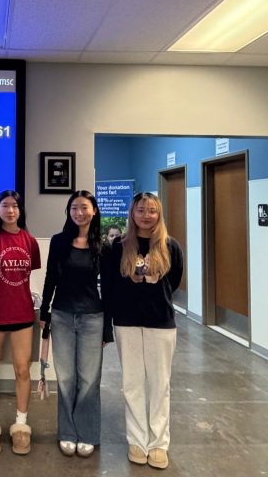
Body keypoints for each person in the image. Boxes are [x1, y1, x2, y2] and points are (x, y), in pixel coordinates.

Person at [102, 193, 184, 470]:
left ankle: (159, 444)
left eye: (152, 211)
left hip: (160, 323)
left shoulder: (171, 246)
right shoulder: (118, 247)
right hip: (126, 322)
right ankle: (137, 440)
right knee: (133, 385)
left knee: (159, 386)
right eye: (141, 210)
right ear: (132, 213)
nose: (146, 215)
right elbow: (111, 286)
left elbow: (172, 283)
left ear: (158, 214)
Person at [39, 190, 110, 458]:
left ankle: (88, 432)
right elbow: (50, 279)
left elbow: (110, 290)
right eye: (74, 208)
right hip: (62, 316)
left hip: (93, 317)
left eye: (84, 207)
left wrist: (107, 326)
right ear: (68, 212)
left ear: (94, 210)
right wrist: (44, 312)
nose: (78, 212)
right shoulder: (59, 242)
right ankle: (67, 432)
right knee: (67, 378)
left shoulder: (103, 245)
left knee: (89, 379)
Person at [0, 189, 42, 455]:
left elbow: (28, 276)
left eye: (15, 206)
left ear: (20, 210)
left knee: (22, 370)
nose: (10, 210)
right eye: (5, 205)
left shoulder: (30, 241)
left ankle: (21, 425)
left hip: (23, 314)